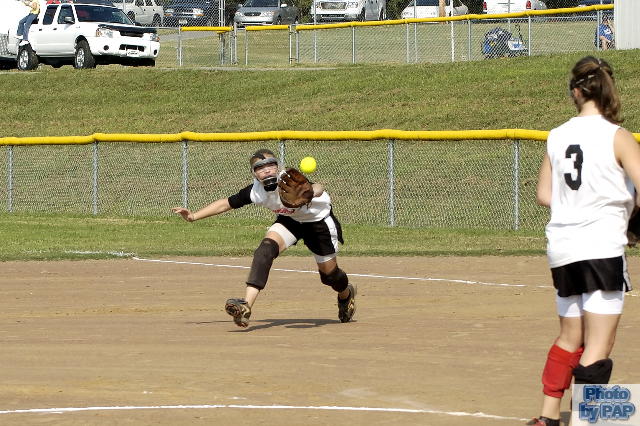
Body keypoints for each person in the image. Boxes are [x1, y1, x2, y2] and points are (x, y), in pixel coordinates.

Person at [530, 56, 640, 426]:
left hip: (563, 247)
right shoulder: (617, 136)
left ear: (576, 92)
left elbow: (544, 195)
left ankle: (547, 416)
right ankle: (587, 420)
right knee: (598, 345)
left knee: (569, 337)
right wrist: (631, 222)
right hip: (601, 247)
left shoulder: (557, 135)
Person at [172, 149, 356, 328]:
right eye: (260, 168)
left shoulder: (289, 180)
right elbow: (225, 204)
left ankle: (346, 294)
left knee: (330, 276)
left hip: (318, 224)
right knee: (264, 251)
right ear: (254, 173)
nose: (267, 170)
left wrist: (310, 192)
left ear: (278, 167)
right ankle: (245, 307)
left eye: (270, 165)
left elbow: (318, 186)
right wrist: (193, 216)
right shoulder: (256, 191)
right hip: (290, 221)